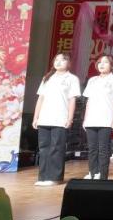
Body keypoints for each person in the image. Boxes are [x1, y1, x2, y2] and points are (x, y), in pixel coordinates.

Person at [31, 52, 80, 186]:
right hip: (44, 118)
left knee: (57, 148)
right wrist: (35, 117)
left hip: (60, 118)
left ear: (68, 63)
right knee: (44, 148)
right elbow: (41, 98)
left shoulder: (72, 79)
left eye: (62, 60)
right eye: (56, 60)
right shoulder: (47, 78)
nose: (58, 62)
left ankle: (55, 178)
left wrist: (70, 118)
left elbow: (72, 100)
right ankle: (43, 177)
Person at [81, 54, 113, 181]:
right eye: (99, 62)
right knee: (92, 148)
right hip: (91, 119)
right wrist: (85, 119)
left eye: (105, 62)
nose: (102, 64)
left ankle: (102, 174)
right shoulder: (92, 80)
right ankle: (92, 172)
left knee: (103, 149)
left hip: (106, 119)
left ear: (111, 65)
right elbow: (88, 101)